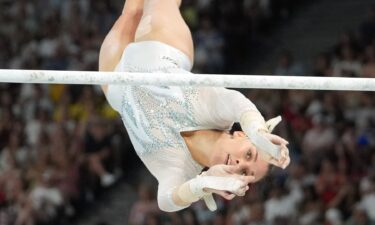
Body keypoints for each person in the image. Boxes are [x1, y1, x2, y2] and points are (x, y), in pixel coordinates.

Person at [98, 0, 290, 212]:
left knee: (131, 12)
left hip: (115, 81)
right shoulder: (214, 114)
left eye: (243, 173)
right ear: (241, 136)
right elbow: (237, 102)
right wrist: (257, 130)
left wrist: (201, 185)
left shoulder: (181, 169)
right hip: (162, 45)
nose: (238, 164)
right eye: (247, 155)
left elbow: (166, 200)